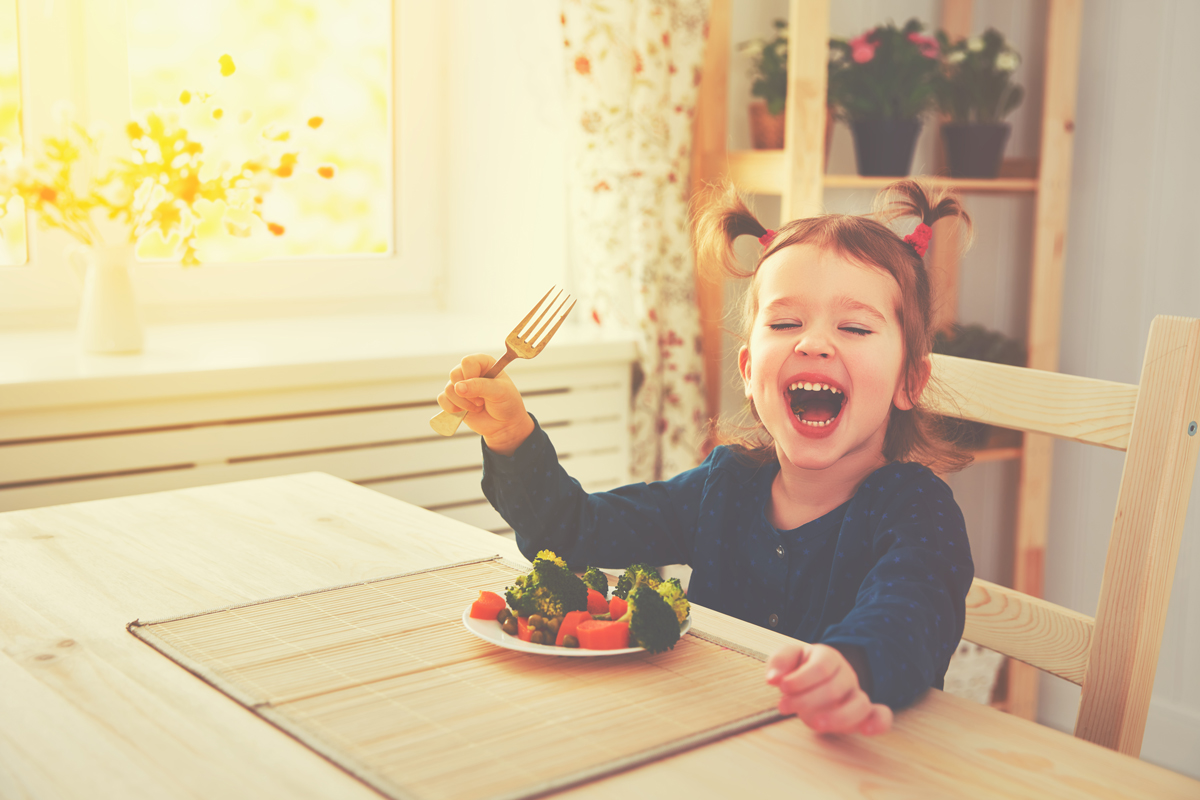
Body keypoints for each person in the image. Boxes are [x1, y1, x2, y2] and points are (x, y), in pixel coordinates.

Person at [436, 179, 975, 737]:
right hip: (713, 739)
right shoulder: (725, 486)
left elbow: (911, 613)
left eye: (855, 327)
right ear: (747, 372)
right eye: (785, 322)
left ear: (909, 380)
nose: (813, 343)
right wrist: (510, 436)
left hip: (858, 760)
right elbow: (574, 531)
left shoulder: (917, 509)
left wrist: (852, 666)